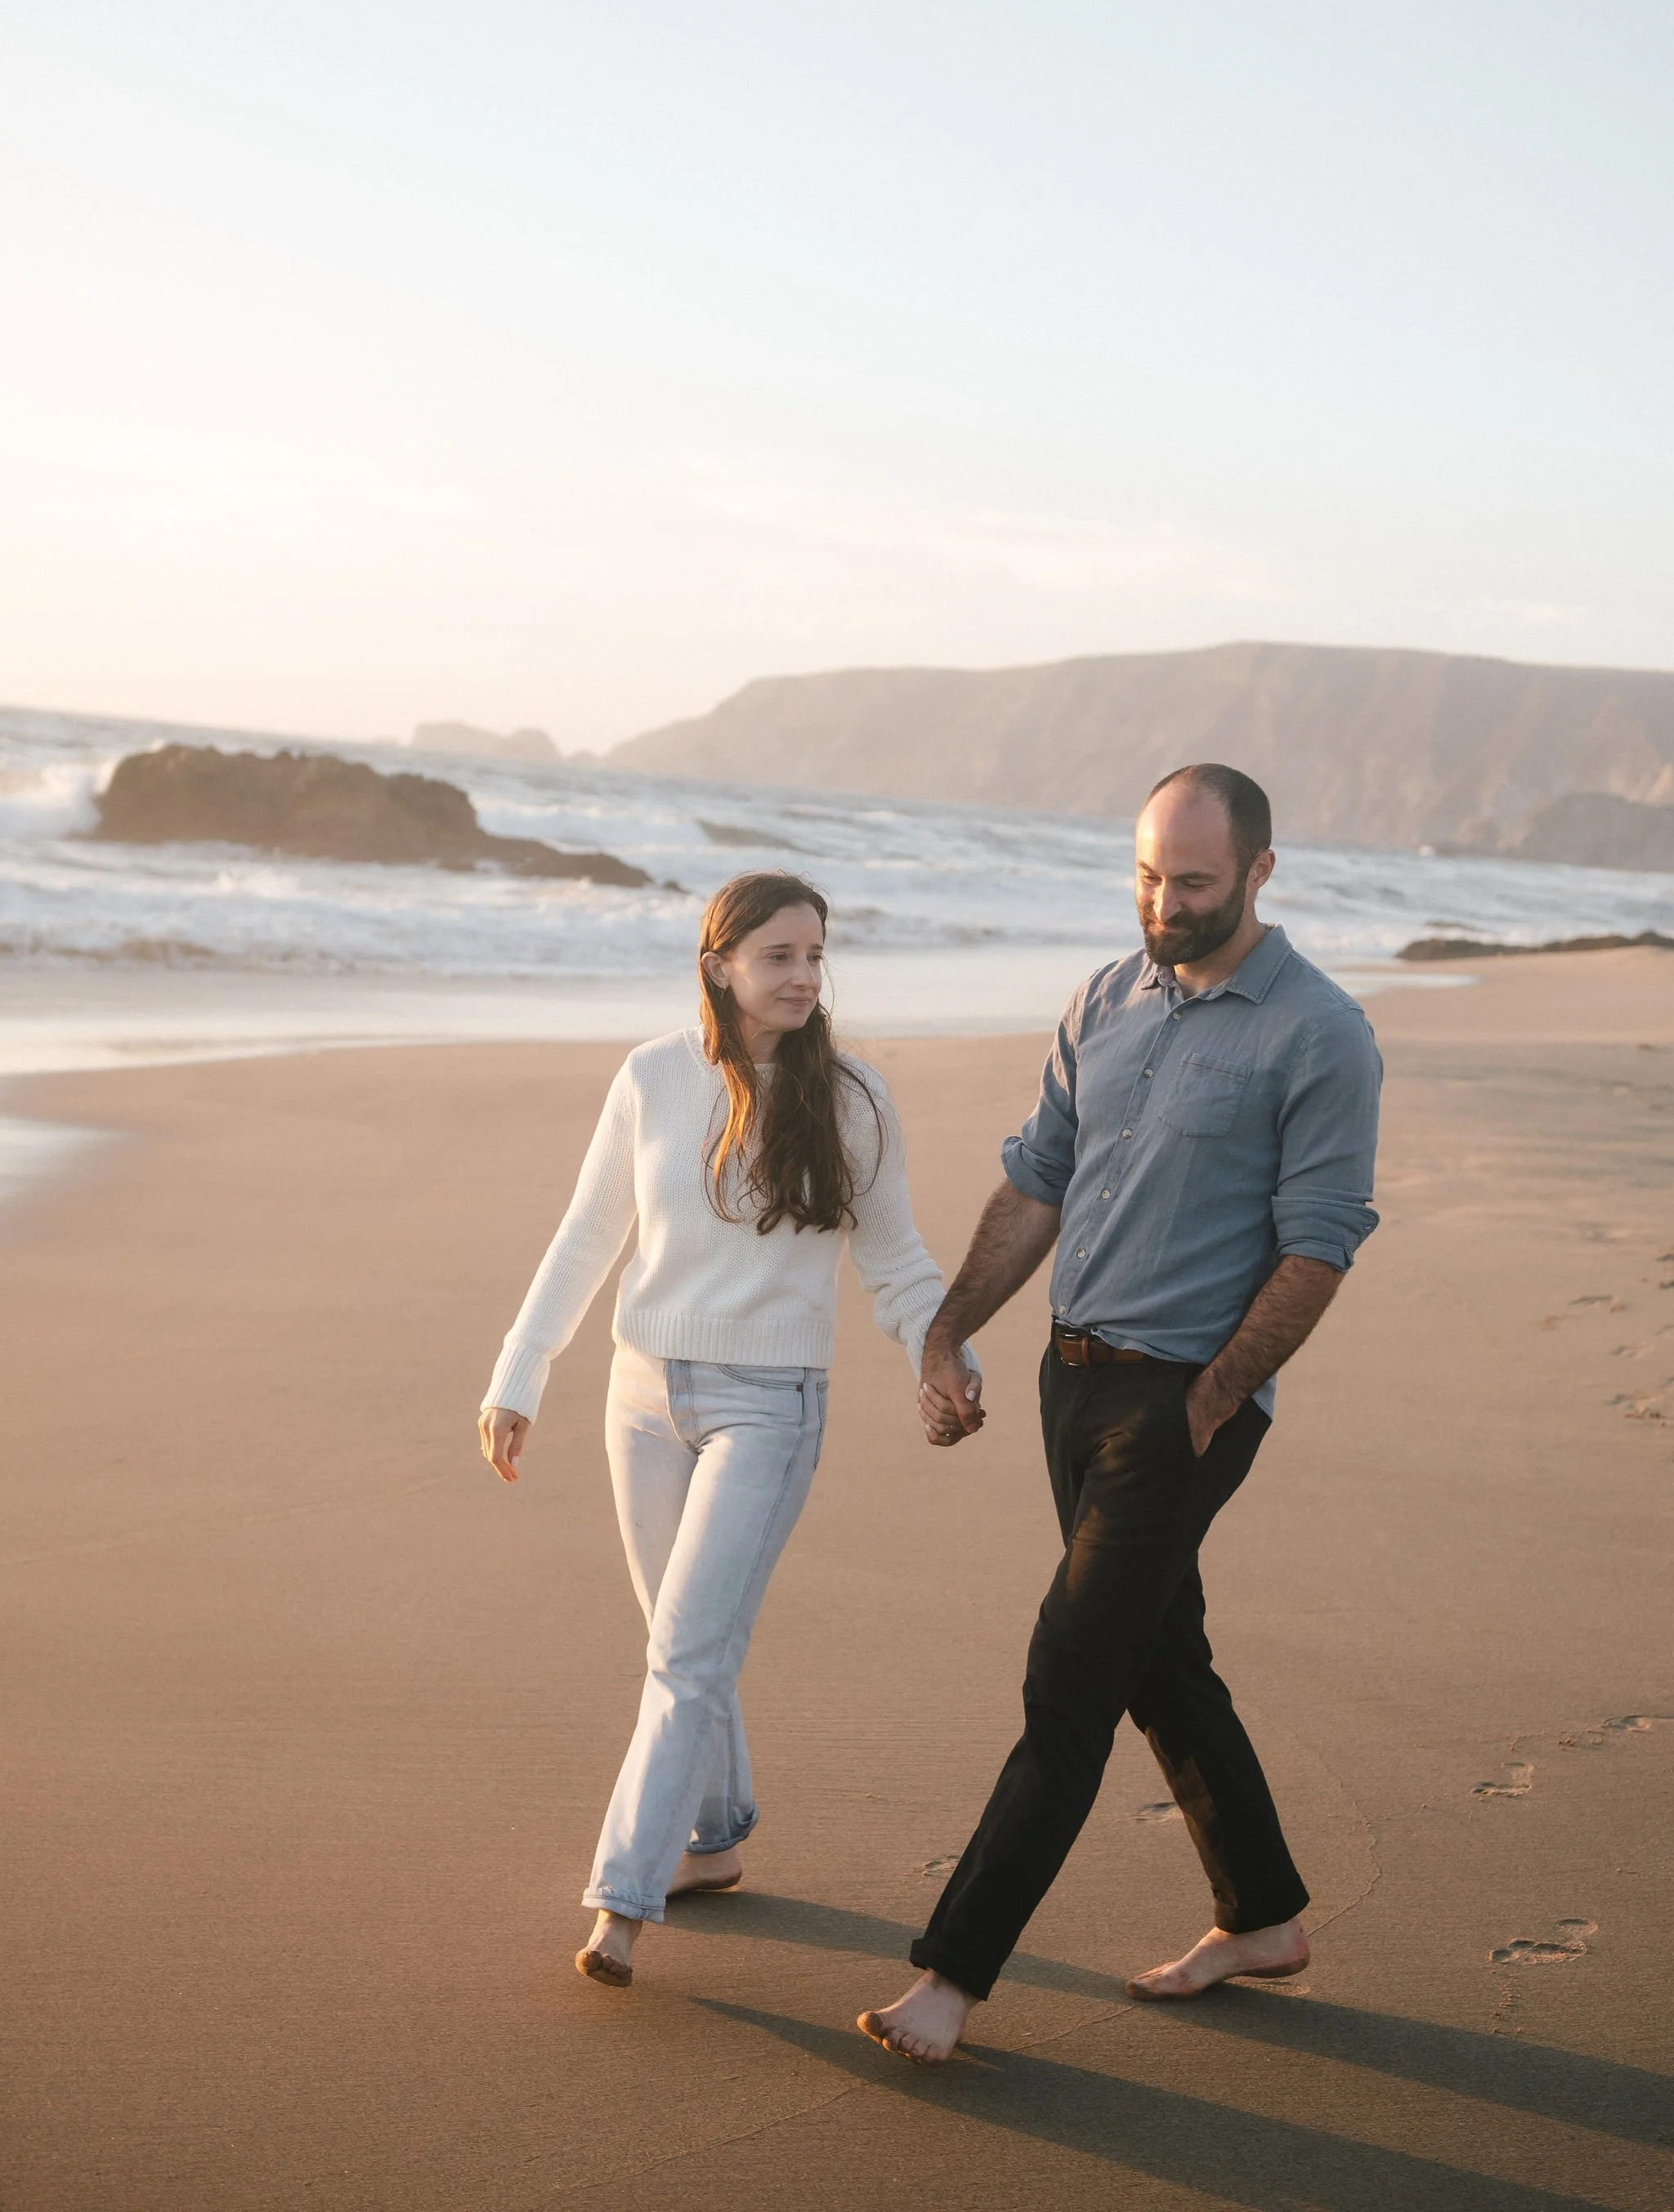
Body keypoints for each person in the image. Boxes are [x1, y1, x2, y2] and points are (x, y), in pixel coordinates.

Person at [861, 763, 1382, 2062]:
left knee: (1070, 1677)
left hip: (1180, 1405)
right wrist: (947, 1330)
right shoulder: (1105, 995)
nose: (1164, 902)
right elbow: (1037, 1181)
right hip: (1070, 1378)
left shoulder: (1321, 1033)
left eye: (1192, 881)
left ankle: (950, 1977)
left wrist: (1209, 1404)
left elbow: (1317, 1247)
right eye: (1147, 874)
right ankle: (1263, 1913)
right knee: (1159, 1658)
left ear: (1260, 872)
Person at [478, 869, 970, 1988]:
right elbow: (587, 1234)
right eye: (779, 955)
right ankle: (714, 1836)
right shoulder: (652, 1075)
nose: (804, 976)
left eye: (816, 955)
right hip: (642, 1396)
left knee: (686, 1655)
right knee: (681, 1640)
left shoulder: (854, 1098)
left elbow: (896, 1257)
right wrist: (521, 1372)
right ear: (719, 965)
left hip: (770, 1404)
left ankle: (623, 1899)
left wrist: (942, 1354)